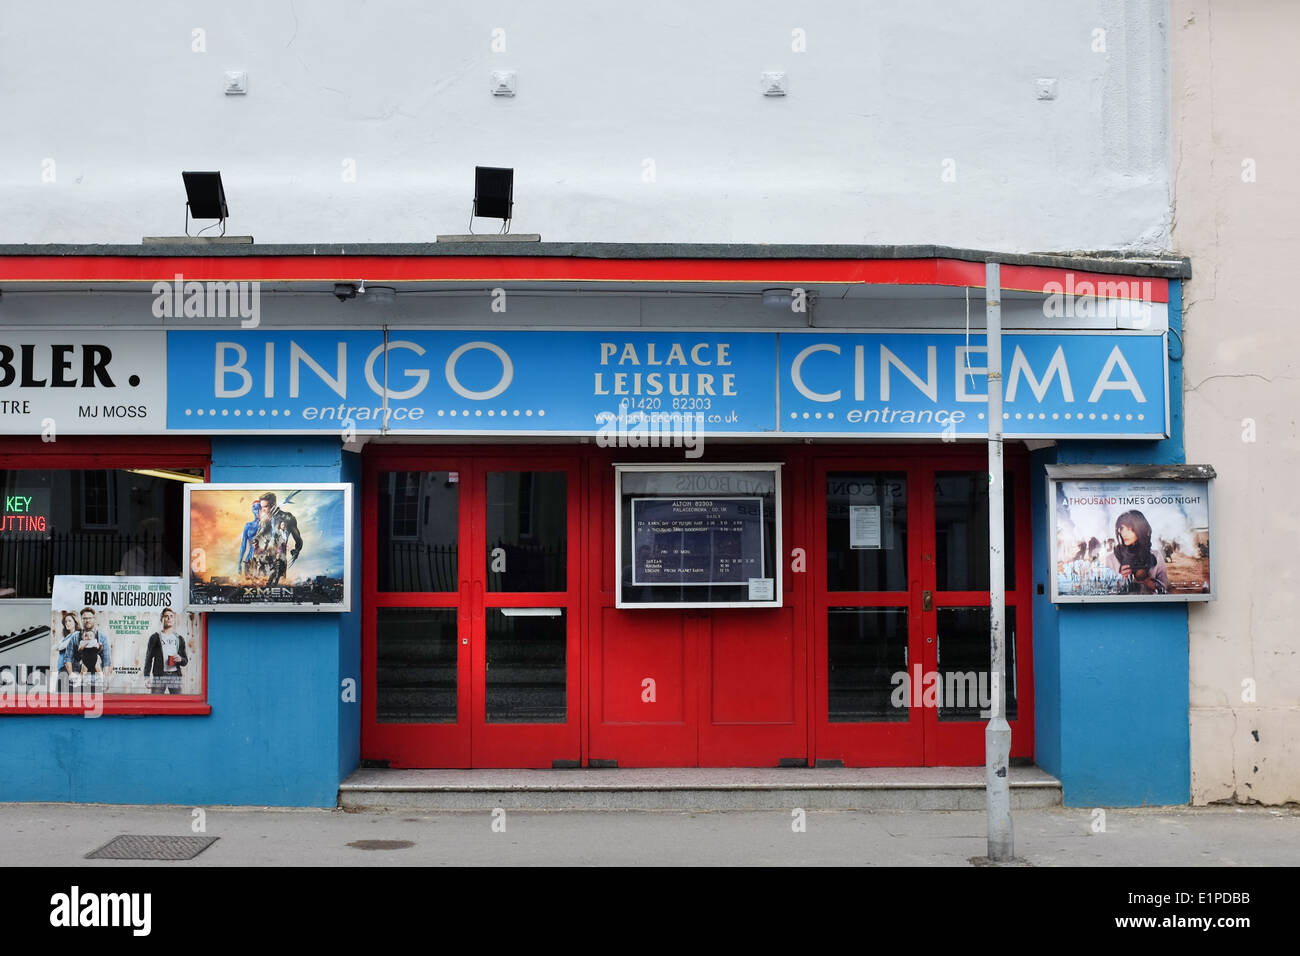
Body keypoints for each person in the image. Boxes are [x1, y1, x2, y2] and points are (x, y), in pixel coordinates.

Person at [1106, 510, 1169, 595]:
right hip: (1121, 606)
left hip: (1150, 605)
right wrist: (1120, 579)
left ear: (1140, 529)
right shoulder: (1111, 558)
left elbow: (1164, 588)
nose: (1124, 533)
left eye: (1130, 529)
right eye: (1122, 528)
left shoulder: (1155, 555)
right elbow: (1107, 591)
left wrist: (1146, 580)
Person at [257, 492, 302, 587]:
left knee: (278, 588)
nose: (263, 510)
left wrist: (297, 550)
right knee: (262, 589)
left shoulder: (288, 518)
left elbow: (298, 539)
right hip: (264, 560)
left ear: (273, 505)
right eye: (261, 507)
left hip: (279, 559)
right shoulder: (263, 521)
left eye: (265, 507)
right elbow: (258, 538)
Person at [144, 607, 188, 695]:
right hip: (159, 676)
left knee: (178, 703)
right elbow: (148, 658)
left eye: (171, 616)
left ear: (174, 619)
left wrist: (180, 659)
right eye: (166, 616)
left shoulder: (179, 639)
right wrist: (146, 677)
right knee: (155, 703)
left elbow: (185, 661)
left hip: (175, 676)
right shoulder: (155, 637)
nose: (169, 618)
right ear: (161, 619)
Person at [75, 606, 112, 688]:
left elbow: (106, 659)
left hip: (95, 662)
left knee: (98, 669)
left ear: (94, 619)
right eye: (84, 618)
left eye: (89, 618)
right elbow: (78, 651)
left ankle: (103, 680)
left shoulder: (100, 638)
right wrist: (84, 644)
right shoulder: (78, 638)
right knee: (83, 671)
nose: (87, 620)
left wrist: (100, 646)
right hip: (85, 660)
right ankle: (78, 682)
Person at [237, 499, 263, 578]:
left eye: (259, 508)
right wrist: (239, 563)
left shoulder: (266, 524)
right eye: (255, 508)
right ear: (252, 510)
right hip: (249, 560)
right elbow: (243, 545)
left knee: (262, 584)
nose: (257, 511)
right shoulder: (248, 525)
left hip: (262, 561)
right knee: (248, 584)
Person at [55, 610, 80, 691]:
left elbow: (61, 646)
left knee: (69, 692)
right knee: (61, 692)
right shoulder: (66, 636)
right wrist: (60, 646)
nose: (67, 623)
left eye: (69, 621)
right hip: (62, 667)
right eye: (66, 621)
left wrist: (60, 646)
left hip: (71, 666)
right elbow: (55, 647)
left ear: (75, 622)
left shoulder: (77, 634)